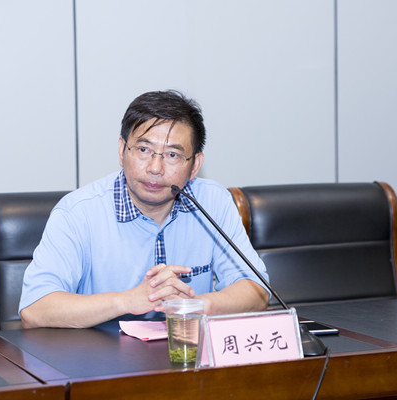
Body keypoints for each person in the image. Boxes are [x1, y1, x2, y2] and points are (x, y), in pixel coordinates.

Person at [19, 90, 269, 328]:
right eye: (143, 150)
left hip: (187, 351)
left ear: (195, 166)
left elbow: (257, 291)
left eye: (172, 155)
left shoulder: (213, 203)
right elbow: (35, 309)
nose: (155, 168)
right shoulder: (78, 212)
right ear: (122, 151)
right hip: (101, 355)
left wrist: (196, 305)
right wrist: (126, 301)